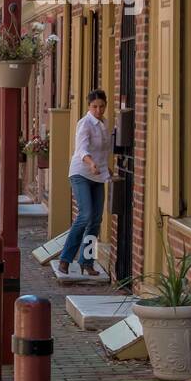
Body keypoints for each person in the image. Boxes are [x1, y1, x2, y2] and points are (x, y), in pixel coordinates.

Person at [57, 89, 112, 275]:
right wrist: (91, 163)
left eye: (102, 106)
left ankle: (86, 262)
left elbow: (104, 151)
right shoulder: (85, 123)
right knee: (86, 215)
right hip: (81, 172)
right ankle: (65, 259)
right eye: (95, 106)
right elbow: (81, 149)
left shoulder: (105, 124)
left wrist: (104, 167)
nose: (98, 110)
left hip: (98, 174)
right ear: (89, 106)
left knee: (96, 220)